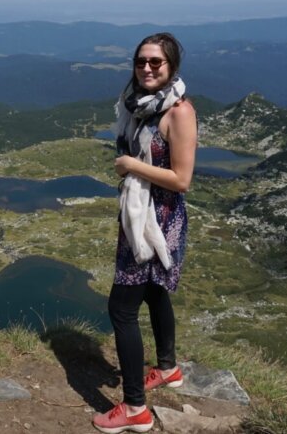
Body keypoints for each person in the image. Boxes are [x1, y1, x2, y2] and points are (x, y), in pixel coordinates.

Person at [93, 32, 197, 434]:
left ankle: (135, 407)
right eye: (141, 61)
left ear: (171, 67)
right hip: (141, 214)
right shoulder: (138, 107)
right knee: (154, 293)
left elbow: (182, 179)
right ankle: (168, 369)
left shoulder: (179, 113)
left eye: (157, 62)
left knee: (121, 310)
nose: (148, 68)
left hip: (157, 221)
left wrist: (129, 166)